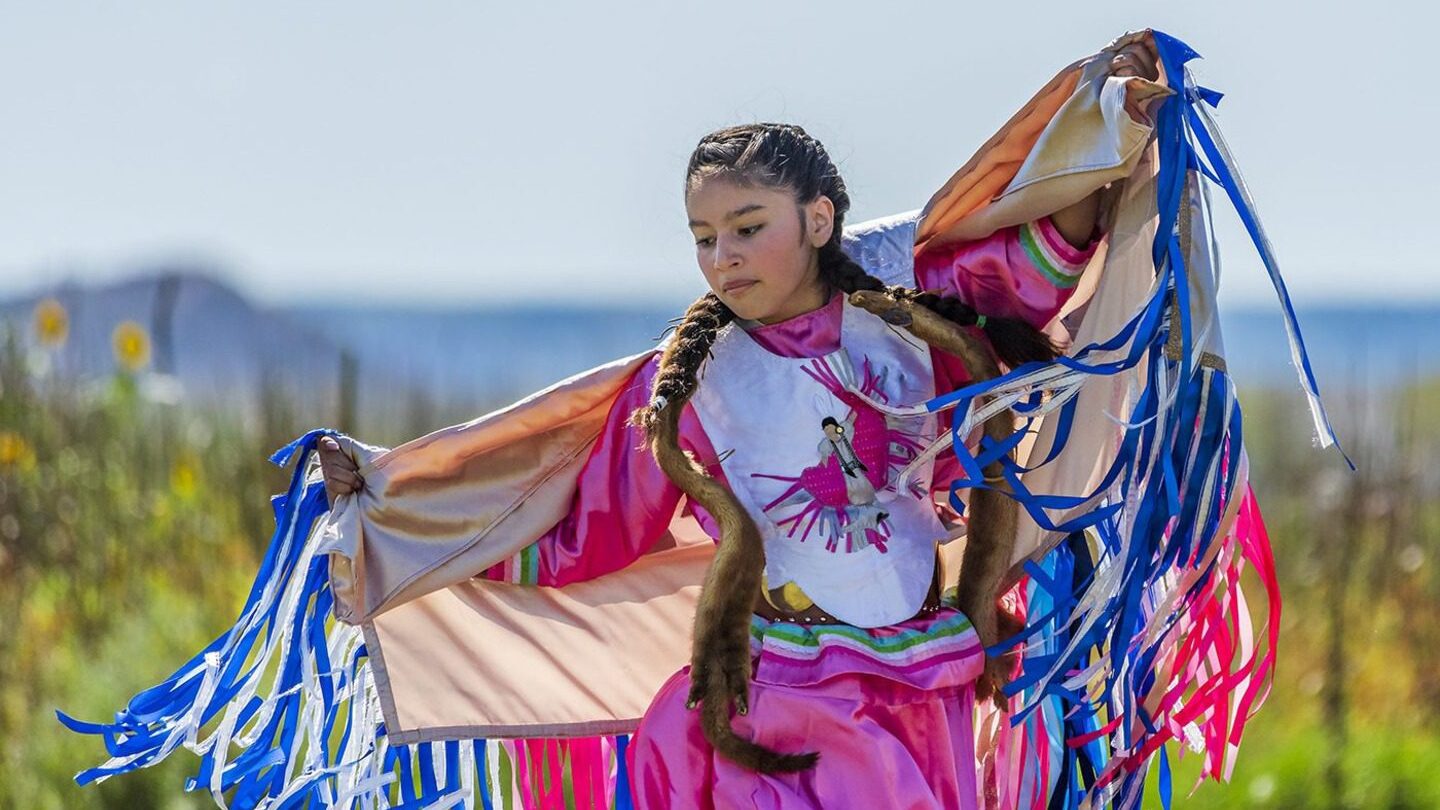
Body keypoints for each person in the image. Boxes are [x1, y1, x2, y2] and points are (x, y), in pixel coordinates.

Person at [66, 31, 1312, 809]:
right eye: (704, 237)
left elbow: (1035, 245)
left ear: (819, 220)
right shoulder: (698, 377)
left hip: (921, 675)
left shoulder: (911, 298)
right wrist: (393, 497)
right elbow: (567, 502)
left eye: (747, 229)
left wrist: (1118, 126)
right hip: (774, 690)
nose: (722, 257)